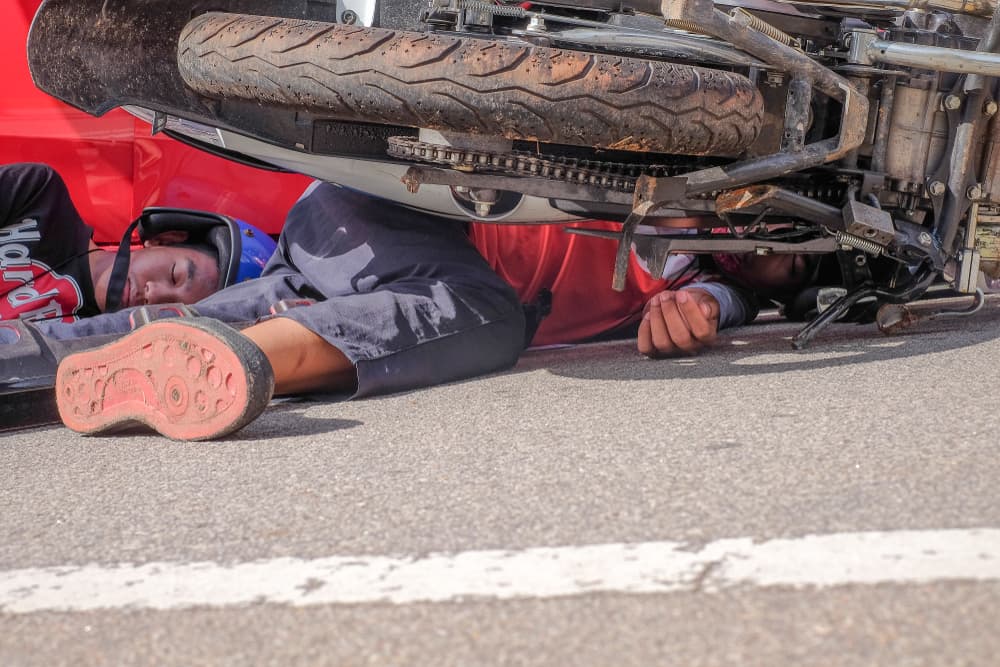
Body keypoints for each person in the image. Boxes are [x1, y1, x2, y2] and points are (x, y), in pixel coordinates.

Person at [6, 178, 813, 441]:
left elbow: (729, 299)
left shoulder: (712, 286)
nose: (765, 242)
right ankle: (254, 363)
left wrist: (709, 304)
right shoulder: (699, 161)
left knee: (93, 348)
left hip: (359, 270)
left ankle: (42, 359)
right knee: (487, 316)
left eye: (782, 257)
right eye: (777, 229)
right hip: (378, 206)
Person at [0, 163, 275, 322]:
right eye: (175, 276)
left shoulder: (92, 359)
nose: (153, 295)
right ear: (164, 239)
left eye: (172, 310)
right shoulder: (39, 196)